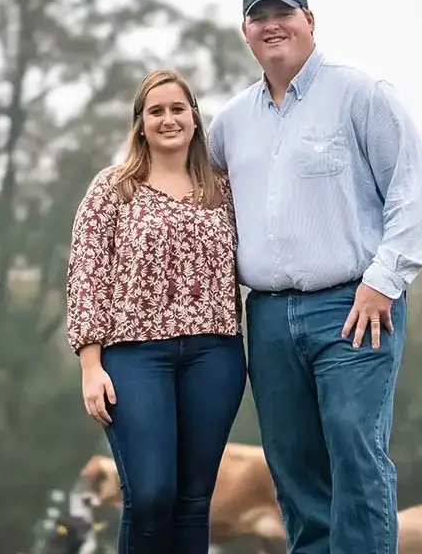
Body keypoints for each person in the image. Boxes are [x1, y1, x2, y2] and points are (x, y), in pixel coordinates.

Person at [204, 0, 422, 554]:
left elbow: (414, 192)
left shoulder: (361, 95)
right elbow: (200, 205)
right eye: (259, 17)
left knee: (354, 445)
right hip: (265, 316)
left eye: (284, 12)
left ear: (310, 21)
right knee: (291, 463)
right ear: (245, 32)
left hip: (354, 306)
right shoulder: (231, 123)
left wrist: (383, 283)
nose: (272, 24)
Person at [64, 68, 247, 553]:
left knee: (192, 500)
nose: (168, 119)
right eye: (156, 111)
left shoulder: (222, 190)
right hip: (133, 357)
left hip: (215, 355)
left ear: (194, 118)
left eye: (177, 109)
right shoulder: (113, 189)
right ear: (140, 124)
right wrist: (90, 366)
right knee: (150, 494)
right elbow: (86, 276)